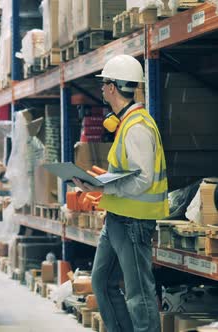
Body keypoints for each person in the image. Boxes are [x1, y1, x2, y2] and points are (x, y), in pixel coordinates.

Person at [72, 54, 168, 332]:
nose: (102, 89)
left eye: (104, 84)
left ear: (113, 87)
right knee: (101, 282)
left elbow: (143, 180)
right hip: (118, 217)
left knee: (139, 294)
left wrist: (103, 186)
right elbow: (129, 174)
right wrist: (99, 184)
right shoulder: (126, 123)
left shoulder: (137, 127)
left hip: (133, 222)